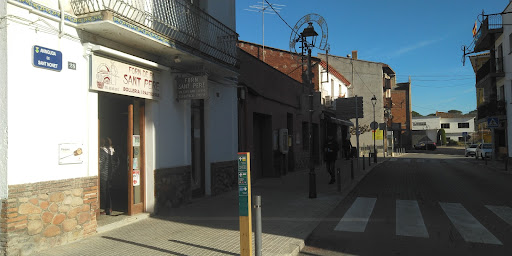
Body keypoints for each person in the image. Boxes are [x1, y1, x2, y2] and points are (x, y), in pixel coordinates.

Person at [99, 137, 119, 215]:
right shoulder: (112, 151)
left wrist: (99, 172)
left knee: (104, 192)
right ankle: (109, 208)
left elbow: (100, 164)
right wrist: (112, 171)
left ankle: (106, 209)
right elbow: (117, 163)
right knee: (108, 192)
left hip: (103, 175)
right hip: (110, 175)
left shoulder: (101, 151)